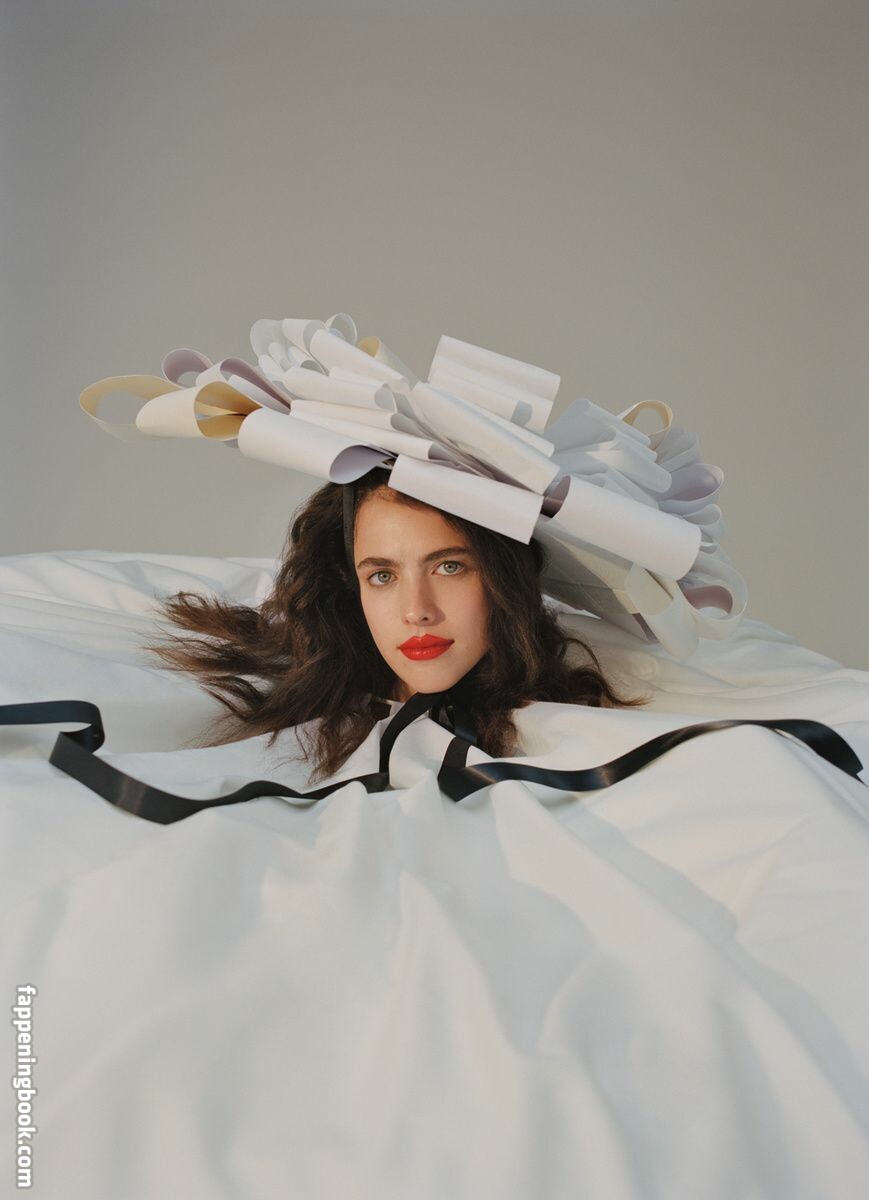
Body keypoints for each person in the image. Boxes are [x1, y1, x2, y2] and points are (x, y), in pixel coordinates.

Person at [144, 466, 648, 785]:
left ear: (503, 575)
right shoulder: (291, 720)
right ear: (352, 587)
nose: (417, 611)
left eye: (448, 566)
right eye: (382, 576)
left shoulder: (585, 719)